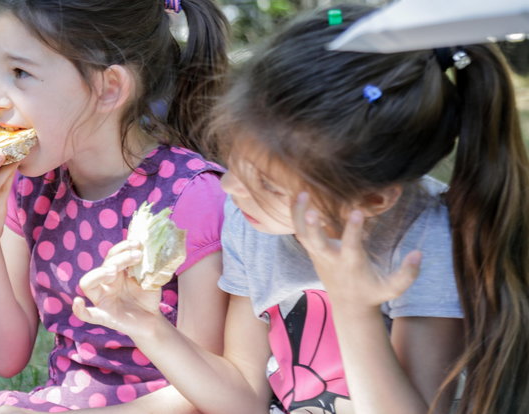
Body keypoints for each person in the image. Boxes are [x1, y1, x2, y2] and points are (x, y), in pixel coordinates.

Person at [73, 4, 529, 414]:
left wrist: (355, 308)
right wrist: (147, 326)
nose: (231, 189)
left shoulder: (422, 243)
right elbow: (242, 397)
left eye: (267, 184)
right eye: (234, 164)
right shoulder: (253, 224)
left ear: (371, 200)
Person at [0, 0, 231, 411]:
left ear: (109, 89)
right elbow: (5, 355)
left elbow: (202, 390)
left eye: (20, 73)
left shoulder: (189, 195)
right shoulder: (33, 189)